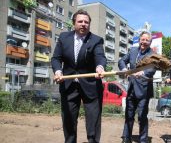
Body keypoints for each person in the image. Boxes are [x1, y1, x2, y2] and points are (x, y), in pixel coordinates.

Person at [51, 9, 107, 143]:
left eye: (86, 22)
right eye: (80, 21)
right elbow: (56, 58)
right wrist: (58, 71)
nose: (83, 24)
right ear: (74, 23)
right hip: (69, 85)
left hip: (91, 86)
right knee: (68, 120)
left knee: (93, 121)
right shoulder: (64, 38)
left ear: (89, 24)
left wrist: (100, 67)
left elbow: (100, 57)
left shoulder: (96, 40)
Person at [118, 31, 156, 143]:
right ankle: (126, 138)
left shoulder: (152, 54)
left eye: (147, 40)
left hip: (144, 90)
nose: (144, 42)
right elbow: (121, 61)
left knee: (142, 116)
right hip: (131, 88)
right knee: (129, 115)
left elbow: (152, 69)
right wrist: (124, 69)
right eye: (142, 39)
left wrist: (143, 73)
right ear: (139, 40)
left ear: (150, 42)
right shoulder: (133, 51)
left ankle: (143, 140)